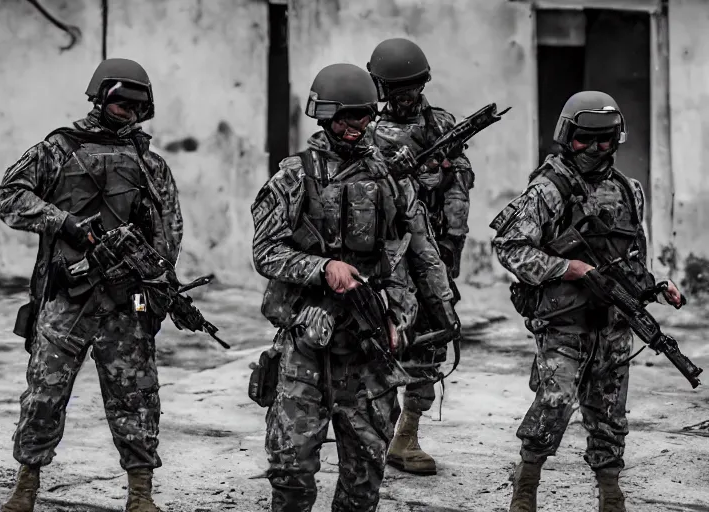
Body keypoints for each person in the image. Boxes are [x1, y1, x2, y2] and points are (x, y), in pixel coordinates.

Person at [250, 62, 458, 512]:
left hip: (368, 346)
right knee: (291, 472)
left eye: (363, 116)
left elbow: (420, 249)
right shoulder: (294, 175)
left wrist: (437, 308)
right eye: (344, 117)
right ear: (324, 117)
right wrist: (322, 267)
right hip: (306, 344)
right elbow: (265, 251)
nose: (354, 127)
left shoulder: (390, 177)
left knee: (365, 476)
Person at [0, 58, 183, 512]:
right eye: (121, 101)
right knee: (44, 394)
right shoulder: (57, 149)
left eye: (138, 105)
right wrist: (64, 223)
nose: (129, 111)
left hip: (125, 301)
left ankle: (140, 495)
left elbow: (169, 230)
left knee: (136, 397)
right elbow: (7, 196)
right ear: (100, 96)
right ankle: (25, 487)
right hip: (67, 297)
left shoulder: (149, 162)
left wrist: (157, 282)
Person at [490, 91, 684, 512]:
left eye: (605, 140)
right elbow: (509, 247)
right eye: (585, 140)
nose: (595, 150)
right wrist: (569, 269)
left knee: (610, 412)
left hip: (612, 323)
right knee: (553, 405)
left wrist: (654, 287)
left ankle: (610, 492)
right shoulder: (549, 189)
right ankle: (526, 486)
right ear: (567, 136)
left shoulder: (629, 191)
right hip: (564, 321)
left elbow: (632, 259)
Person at [366, 37, 474, 475]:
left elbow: (460, 187)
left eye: (411, 87)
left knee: (432, 335)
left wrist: (451, 245)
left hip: (430, 251)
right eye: (395, 88)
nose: (404, 97)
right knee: (376, 338)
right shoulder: (363, 129)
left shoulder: (440, 125)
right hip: (381, 253)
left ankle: (407, 434)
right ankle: (373, 430)